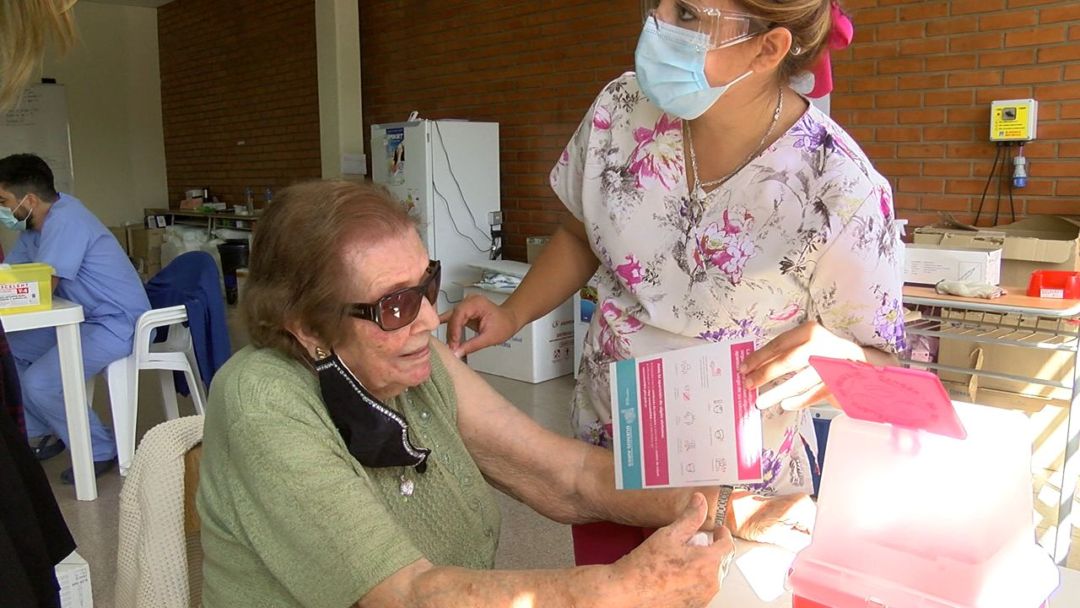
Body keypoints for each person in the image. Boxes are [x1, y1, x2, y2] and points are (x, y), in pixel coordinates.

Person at [443, 0, 905, 565]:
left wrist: (843, 361)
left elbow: (885, 374)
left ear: (768, 48)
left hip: (734, 498)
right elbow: (579, 233)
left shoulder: (840, 190)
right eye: (657, 5)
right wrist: (512, 313)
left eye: (687, 14)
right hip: (608, 460)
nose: (656, 25)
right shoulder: (621, 107)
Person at [195, 180, 798, 607]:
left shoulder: (411, 362)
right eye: (395, 305)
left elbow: (564, 476)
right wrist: (623, 591)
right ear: (305, 325)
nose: (430, 321)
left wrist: (724, 507)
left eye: (425, 286)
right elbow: (404, 594)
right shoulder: (263, 401)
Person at [0, 153, 151, 483]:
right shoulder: (33, 230)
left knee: (39, 382)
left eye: (3, 201)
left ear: (29, 199)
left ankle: (99, 449)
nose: (3, 211)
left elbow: (42, 287)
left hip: (118, 322)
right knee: (8, 352)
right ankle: (46, 433)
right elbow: (8, 277)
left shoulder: (67, 220)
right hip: (83, 319)